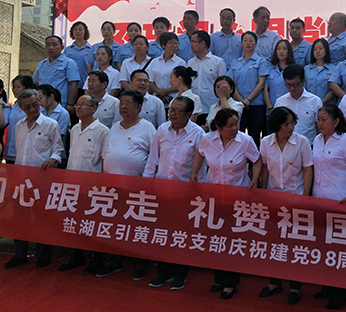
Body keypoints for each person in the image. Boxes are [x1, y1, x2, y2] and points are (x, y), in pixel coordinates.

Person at [191, 108, 261, 300]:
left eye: (236, 124)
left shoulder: (245, 141)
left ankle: (231, 282)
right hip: (214, 197)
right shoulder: (207, 139)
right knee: (216, 239)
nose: (235, 128)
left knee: (232, 241)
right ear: (219, 127)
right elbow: (200, 153)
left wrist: (255, 179)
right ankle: (219, 279)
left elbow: (257, 160)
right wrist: (194, 172)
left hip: (237, 199)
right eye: (230, 125)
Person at [144, 96, 204, 291]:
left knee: (181, 234)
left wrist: (199, 192)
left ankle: (180, 274)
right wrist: (147, 184)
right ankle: (164, 272)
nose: (172, 113)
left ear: (189, 114)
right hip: (162, 190)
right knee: (162, 233)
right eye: (171, 109)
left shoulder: (198, 134)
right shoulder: (162, 129)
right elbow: (153, 159)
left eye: (178, 111)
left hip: (185, 192)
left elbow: (202, 167)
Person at [98, 89, 157, 280]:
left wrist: (147, 183)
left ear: (139, 107)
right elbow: (105, 154)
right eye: (121, 103)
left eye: (127, 103)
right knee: (113, 226)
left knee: (137, 228)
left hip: (136, 189)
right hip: (112, 188)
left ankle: (140, 264)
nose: (123, 107)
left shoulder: (147, 128)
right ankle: (113, 262)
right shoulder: (115, 127)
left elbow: (154, 157)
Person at [258, 107, 313, 305]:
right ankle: (274, 282)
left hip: (295, 198)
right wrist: (263, 193)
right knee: (273, 243)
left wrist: (305, 198)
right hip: (274, 199)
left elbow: (308, 170)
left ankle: (295, 286)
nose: (291, 127)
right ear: (276, 125)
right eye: (286, 123)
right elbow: (265, 168)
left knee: (294, 245)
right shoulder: (266, 142)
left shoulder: (302, 142)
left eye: (293, 123)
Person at [4, 89, 64, 270]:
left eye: (35, 105)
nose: (32, 110)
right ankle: (20, 255)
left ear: (40, 103)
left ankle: (43, 257)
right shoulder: (19, 125)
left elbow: (58, 149)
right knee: (19, 218)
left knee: (43, 218)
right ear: (21, 108)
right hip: (21, 179)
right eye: (27, 107)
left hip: (42, 179)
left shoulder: (51, 124)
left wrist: (53, 159)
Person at [312, 104, 346, 310]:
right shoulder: (317, 139)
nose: (320, 123)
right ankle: (326, 286)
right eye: (319, 119)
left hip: (339, 200)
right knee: (323, 247)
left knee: (339, 249)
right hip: (318, 199)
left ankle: (339, 294)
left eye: (324, 120)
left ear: (336, 121)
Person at [59, 94, 110, 273]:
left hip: (92, 186)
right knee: (75, 221)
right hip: (73, 184)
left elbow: (104, 159)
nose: (79, 107)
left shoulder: (103, 131)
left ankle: (97, 258)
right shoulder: (74, 129)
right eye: (78, 104)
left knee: (93, 222)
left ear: (94, 108)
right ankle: (77, 255)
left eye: (83, 104)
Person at [227, 31, 268, 147]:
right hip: (238, 105)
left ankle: (253, 158)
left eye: (251, 41)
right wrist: (241, 100)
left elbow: (261, 83)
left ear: (256, 43)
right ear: (242, 44)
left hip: (256, 104)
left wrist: (248, 99)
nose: (248, 43)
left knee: (254, 135)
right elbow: (231, 84)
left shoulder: (261, 61)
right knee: (237, 134)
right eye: (245, 40)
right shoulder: (235, 62)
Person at [275, 64, 323, 145]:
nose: (292, 88)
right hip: (286, 146)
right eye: (288, 85)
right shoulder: (280, 102)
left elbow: (320, 128)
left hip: (309, 145)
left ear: (303, 81)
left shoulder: (315, 101)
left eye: (295, 84)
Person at [33, 35, 80, 111]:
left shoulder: (69, 63)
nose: (51, 48)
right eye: (48, 45)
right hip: (41, 105)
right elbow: (35, 83)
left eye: (54, 45)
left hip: (60, 104)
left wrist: (70, 104)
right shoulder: (41, 64)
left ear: (62, 47)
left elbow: (74, 84)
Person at [187, 29, 226, 116]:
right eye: (191, 41)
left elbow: (223, 85)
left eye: (193, 42)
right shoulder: (190, 63)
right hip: (194, 108)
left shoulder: (218, 62)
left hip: (211, 106)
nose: (191, 44)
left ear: (202, 43)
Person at [147, 32, 187, 108]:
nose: (174, 45)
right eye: (171, 43)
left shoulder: (181, 63)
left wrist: (165, 91)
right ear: (163, 45)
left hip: (173, 100)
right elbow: (150, 81)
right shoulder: (155, 61)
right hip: (157, 99)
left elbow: (182, 83)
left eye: (176, 43)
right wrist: (159, 92)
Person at [4, 75, 35, 164]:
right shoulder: (14, 105)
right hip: (11, 148)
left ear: (27, 88)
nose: (15, 90)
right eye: (14, 87)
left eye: (18, 87)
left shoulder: (33, 106)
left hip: (26, 150)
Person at [263, 39, 295, 112]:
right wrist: (270, 108)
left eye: (284, 49)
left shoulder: (293, 70)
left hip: (289, 109)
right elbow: (265, 90)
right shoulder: (270, 70)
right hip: (272, 109)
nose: (281, 51)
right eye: (278, 49)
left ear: (289, 51)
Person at [37, 84, 71, 149]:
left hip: (55, 149)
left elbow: (59, 136)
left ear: (51, 97)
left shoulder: (63, 113)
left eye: (40, 98)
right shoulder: (40, 111)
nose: (39, 101)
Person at [304, 38, 335, 104]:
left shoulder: (333, 69)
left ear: (326, 50)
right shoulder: (306, 69)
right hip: (310, 105)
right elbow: (303, 89)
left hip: (328, 105)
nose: (317, 51)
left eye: (320, 49)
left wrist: (321, 102)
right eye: (315, 49)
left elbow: (334, 90)